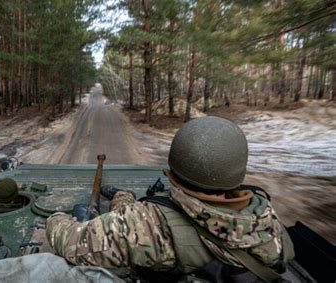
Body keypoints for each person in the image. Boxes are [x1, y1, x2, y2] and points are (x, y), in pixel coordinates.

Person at [45, 116, 294, 282]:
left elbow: (71, 242)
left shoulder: (148, 223)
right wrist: (124, 200)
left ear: (172, 174)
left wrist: (56, 218)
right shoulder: (266, 218)